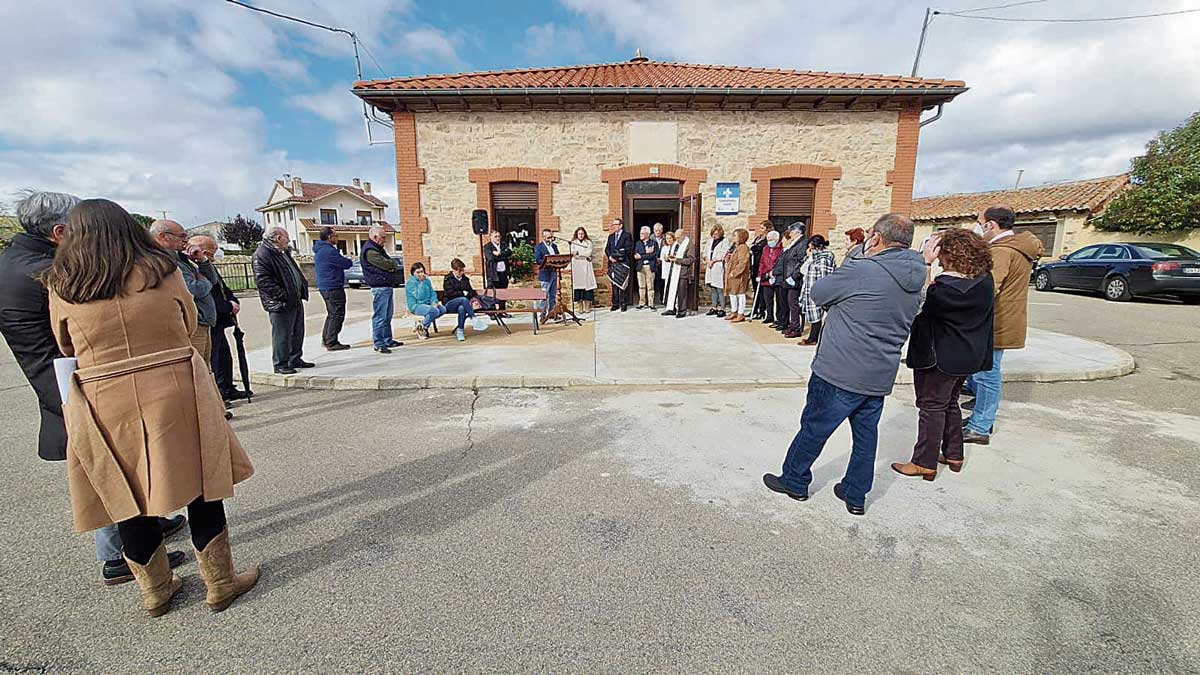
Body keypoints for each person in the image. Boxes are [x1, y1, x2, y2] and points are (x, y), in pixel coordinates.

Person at [45, 199, 258, 617]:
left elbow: (64, 343)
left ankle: (156, 591)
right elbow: (186, 320)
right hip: (173, 382)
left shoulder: (63, 283)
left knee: (124, 491)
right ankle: (219, 582)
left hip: (103, 395)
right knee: (202, 483)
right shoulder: (162, 271)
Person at [0, 191, 187, 586]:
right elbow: (72, 337)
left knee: (118, 465)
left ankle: (143, 535)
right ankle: (120, 555)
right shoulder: (52, 272)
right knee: (107, 470)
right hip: (74, 386)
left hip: (64, 380)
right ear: (59, 231)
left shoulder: (19, 262)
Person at [762, 213, 926, 516]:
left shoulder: (862, 268)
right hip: (879, 371)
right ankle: (855, 494)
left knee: (814, 427)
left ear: (876, 238)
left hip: (840, 367)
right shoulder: (918, 274)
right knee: (866, 436)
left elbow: (819, 292)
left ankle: (794, 480)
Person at [893, 229, 995, 480]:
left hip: (940, 356)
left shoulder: (948, 288)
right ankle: (954, 453)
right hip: (967, 355)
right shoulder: (983, 279)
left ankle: (923, 462)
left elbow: (920, 302)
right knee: (949, 402)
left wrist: (925, 264)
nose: (939, 260)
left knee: (931, 407)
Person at [962, 205, 1044, 445]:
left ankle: (980, 426)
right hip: (1003, 317)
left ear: (991, 225)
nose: (978, 228)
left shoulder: (1002, 252)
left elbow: (988, 289)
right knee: (984, 371)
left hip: (996, 320)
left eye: (980, 223)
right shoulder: (1014, 248)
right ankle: (981, 418)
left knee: (987, 374)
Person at [150, 220, 218, 364]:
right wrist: (203, 280)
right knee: (196, 370)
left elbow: (213, 280)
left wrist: (202, 261)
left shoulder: (181, 258)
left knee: (206, 368)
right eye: (181, 236)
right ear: (163, 236)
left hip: (202, 321)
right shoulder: (165, 260)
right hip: (192, 324)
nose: (186, 241)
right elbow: (195, 289)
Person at [190, 235, 245, 402]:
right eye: (213, 251)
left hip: (218, 319)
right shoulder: (193, 268)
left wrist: (233, 301)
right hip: (206, 319)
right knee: (213, 360)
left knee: (224, 356)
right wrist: (227, 307)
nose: (215, 254)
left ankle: (228, 387)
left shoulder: (207, 265)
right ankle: (220, 390)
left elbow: (222, 288)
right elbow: (204, 292)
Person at [253, 226, 312, 375]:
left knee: (297, 332)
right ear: (278, 238)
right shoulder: (263, 254)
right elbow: (263, 281)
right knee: (282, 335)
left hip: (294, 300)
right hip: (281, 303)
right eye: (286, 237)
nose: (288, 240)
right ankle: (280, 364)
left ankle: (295, 359)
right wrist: (284, 296)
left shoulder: (282, 252)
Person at [361, 225, 403, 354]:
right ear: (374, 237)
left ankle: (387, 339)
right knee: (380, 316)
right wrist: (390, 266)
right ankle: (378, 343)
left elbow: (391, 263)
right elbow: (388, 264)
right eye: (383, 237)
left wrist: (391, 265)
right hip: (379, 287)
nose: (384, 240)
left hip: (386, 285)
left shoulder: (378, 249)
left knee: (387, 316)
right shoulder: (371, 251)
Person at [312, 227, 353, 351]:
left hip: (325, 286)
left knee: (331, 314)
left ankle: (327, 339)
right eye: (336, 235)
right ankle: (331, 341)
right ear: (329, 237)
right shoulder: (329, 251)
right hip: (333, 286)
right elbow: (346, 264)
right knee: (337, 314)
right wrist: (348, 259)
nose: (337, 238)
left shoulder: (320, 250)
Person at [799, 235, 836, 345]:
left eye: (812, 248)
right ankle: (812, 337)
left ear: (819, 247)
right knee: (813, 314)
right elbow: (803, 270)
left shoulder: (825, 259)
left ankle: (813, 338)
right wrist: (809, 258)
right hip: (809, 288)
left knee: (817, 315)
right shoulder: (812, 258)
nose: (811, 250)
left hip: (818, 290)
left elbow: (825, 277)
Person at [777, 223, 807, 337]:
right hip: (788, 277)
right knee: (789, 303)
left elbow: (800, 261)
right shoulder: (795, 243)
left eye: (791, 231)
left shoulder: (803, 243)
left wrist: (794, 276)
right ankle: (792, 325)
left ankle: (796, 328)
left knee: (794, 304)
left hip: (794, 279)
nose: (790, 234)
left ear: (798, 232)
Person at [442, 258, 482, 342]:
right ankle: (473, 318)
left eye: (463, 270)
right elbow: (450, 293)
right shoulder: (448, 279)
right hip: (449, 303)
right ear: (453, 270)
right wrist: (463, 293)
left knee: (462, 308)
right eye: (459, 271)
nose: (462, 273)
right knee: (463, 299)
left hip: (463, 305)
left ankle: (460, 331)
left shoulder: (465, 279)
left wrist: (473, 299)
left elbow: (471, 292)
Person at [405, 262, 445, 340]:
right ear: (413, 273)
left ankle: (421, 326)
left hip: (428, 304)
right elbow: (418, 296)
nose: (420, 274)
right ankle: (423, 328)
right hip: (416, 305)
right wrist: (421, 283)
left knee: (442, 309)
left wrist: (434, 302)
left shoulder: (427, 281)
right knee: (434, 311)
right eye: (418, 272)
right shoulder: (410, 283)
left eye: (422, 271)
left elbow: (432, 293)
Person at [723, 227, 752, 322]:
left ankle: (740, 313)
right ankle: (734, 311)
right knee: (732, 293)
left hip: (739, 276)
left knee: (740, 294)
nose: (733, 237)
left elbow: (743, 262)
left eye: (735, 235)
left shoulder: (743, 247)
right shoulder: (736, 246)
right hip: (732, 275)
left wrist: (734, 272)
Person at [756, 230, 784, 326]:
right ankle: (769, 316)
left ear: (776, 239)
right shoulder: (765, 248)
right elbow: (762, 262)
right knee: (768, 298)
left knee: (779, 300)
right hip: (766, 275)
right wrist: (760, 275)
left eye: (771, 239)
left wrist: (775, 273)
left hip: (776, 276)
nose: (769, 241)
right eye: (768, 239)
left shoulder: (781, 248)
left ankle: (779, 318)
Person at [533, 228, 561, 323]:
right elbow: (538, 260)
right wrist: (547, 261)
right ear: (543, 237)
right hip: (545, 274)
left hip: (554, 272)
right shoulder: (539, 247)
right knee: (544, 295)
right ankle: (542, 315)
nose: (550, 239)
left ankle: (552, 313)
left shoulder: (554, 246)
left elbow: (558, 257)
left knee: (553, 295)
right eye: (548, 237)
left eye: (551, 237)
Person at [605, 218, 633, 311]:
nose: (614, 226)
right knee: (614, 284)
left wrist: (617, 257)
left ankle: (623, 303)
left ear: (621, 225)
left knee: (622, 284)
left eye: (615, 224)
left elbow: (628, 249)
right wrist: (610, 257)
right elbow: (607, 249)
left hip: (622, 263)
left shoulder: (627, 236)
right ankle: (615, 304)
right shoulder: (611, 237)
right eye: (613, 225)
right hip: (612, 263)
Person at [669, 227, 697, 318]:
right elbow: (674, 254)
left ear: (683, 236)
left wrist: (678, 260)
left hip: (683, 273)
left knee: (682, 293)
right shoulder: (677, 244)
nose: (676, 240)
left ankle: (682, 311)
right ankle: (672, 308)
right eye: (676, 237)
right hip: (674, 271)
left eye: (678, 237)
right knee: (673, 292)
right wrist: (669, 257)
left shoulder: (689, 245)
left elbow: (691, 259)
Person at [483, 229, 512, 313]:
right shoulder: (487, 247)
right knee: (492, 293)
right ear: (491, 237)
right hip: (493, 274)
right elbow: (490, 258)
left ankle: (502, 311)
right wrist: (503, 255)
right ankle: (492, 312)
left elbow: (509, 253)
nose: (498, 238)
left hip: (503, 273)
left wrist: (499, 254)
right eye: (495, 236)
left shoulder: (503, 245)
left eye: (499, 236)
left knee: (503, 293)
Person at [569, 227, 597, 313]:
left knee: (587, 287)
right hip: (577, 267)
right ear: (576, 234)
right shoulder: (573, 242)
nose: (581, 235)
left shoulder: (588, 242)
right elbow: (572, 253)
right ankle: (580, 307)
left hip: (586, 265)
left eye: (582, 234)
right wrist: (580, 254)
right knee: (578, 287)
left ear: (584, 234)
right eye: (579, 234)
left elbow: (588, 253)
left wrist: (579, 254)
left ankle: (587, 307)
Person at [704, 225, 730, 317]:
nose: (714, 236)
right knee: (712, 287)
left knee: (720, 288)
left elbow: (724, 253)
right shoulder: (710, 241)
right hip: (710, 266)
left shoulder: (724, 241)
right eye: (713, 234)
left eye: (716, 234)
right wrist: (707, 260)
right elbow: (705, 252)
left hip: (718, 266)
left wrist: (713, 260)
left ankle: (722, 308)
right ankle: (714, 307)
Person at [634, 226, 659, 310]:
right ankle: (642, 303)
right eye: (640, 233)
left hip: (650, 267)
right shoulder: (638, 243)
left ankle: (651, 304)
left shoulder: (653, 243)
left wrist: (641, 255)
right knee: (641, 286)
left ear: (648, 234)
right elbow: (636, 254)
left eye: (642, 233)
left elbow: (654, 255)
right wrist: (646, 253)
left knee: (650, 286)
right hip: (640, 267)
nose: (640, 235)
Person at [748, 223, 770, 319]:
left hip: (761, 266)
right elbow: (753, 246)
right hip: (754, 266)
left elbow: (757, 248)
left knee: (761, 291)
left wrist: (753, 247)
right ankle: (754, 309)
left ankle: (762, 311)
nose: (760, 229)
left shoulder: (767, 239)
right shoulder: (758, 238)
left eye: (762, 228)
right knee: (755, 288)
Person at [651, 222, 667, 303]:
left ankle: (662, 298)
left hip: (663, 263)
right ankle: (652, 300)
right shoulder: (650, 238)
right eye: (655, 230)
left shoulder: (665, 238)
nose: (657, 232)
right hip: (653, 262)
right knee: (652, 281)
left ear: (662, 230)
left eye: (659, 230)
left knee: (662, 281)